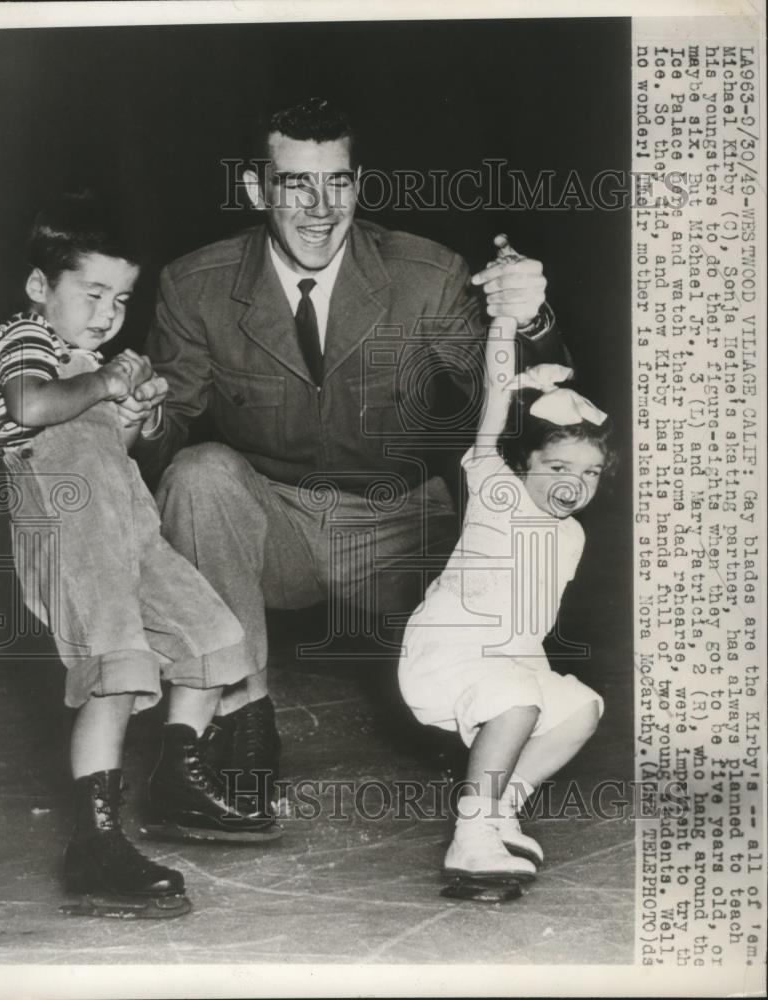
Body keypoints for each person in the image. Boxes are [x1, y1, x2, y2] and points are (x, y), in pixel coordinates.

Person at [131, 97, 570, 817]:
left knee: (469, 717)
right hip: (278, 528)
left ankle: (464, 701)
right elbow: (167, 427)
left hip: (401, 530)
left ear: (358, 185)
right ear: (255, 189)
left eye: (336, 181)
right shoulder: (196, 283)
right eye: (295, 182)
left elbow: (520, 406)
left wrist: (533, 318)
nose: (318, 205)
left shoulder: (425, 273)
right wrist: (136, 418)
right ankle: (246, 717)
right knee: (200, 472)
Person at [0, 193, 277, 921]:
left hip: (130, 532)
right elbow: (29, 409)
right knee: (117, 672)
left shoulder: (88, 361)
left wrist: (137, 416)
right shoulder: (26, 340)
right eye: (92, 293)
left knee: (214, 639)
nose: (109, 312)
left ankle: (177, 775)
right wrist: (105, 385)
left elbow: (119, 452)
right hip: (71, 538)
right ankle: (94, 843)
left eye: (121, 298)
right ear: (40, 289)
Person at [398, 268, 616, 887]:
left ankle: (500, 812)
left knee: (579, 707)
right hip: (449, 653)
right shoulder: (499, 492)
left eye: (593, 472)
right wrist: (504, 326)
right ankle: (470, 835)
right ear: (524, 465)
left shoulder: (571, 533)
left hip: (514, 659)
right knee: (515, 699)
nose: (574, 483)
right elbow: (495, 399)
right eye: (558, 465)